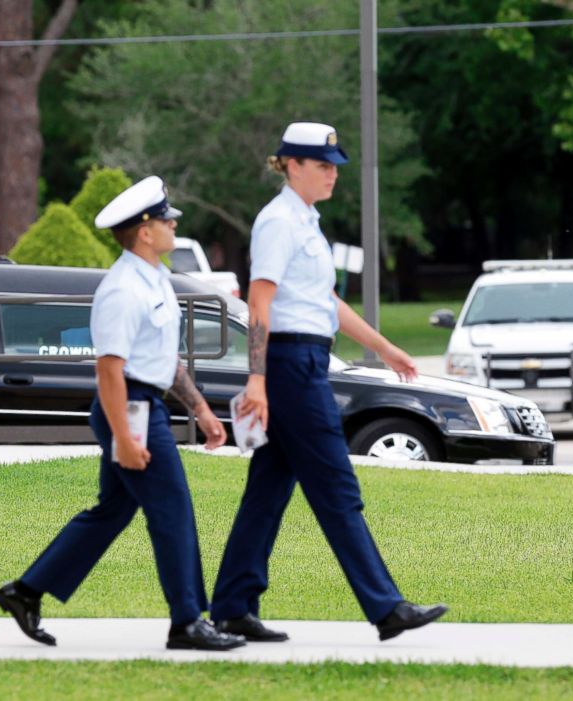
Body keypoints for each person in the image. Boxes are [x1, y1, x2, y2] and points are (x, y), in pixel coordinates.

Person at [210, 122, 448, 642]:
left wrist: (384, 348)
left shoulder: (306, 221)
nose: (332, 174)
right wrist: (257, 378)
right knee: (337, 487)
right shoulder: (279, 222)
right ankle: (386, 608)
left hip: (306, 360)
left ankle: (231, 606)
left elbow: (326, 303)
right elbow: (259, 303)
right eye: (322, 164)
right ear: (290, 165)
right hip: (290, 366)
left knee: (268, 491)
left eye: (334, 165)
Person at [0, 176, 245, 652]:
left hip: (142, 403)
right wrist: (126, 439)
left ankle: (24, 591)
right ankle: (187, 622)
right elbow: (110, 371)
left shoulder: (156, 281)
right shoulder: (122, 288)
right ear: (145, 232)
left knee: (111, 512)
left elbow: (162, 359)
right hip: (128, 409)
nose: (174, 225)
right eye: (167, 220)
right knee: (173, 511)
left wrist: (202, 411)